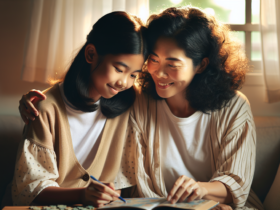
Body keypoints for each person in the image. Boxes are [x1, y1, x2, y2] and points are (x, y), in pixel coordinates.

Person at [18, 6, 263, 210]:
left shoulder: (234, 107)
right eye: (154, 60)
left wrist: (203, 192)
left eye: (173, 64)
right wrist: (37, 99)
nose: (159, 72)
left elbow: (236, 182)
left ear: (201, 65)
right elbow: (90, 88)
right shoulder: (139, 101)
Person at [10, 11, 147, 207]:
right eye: (118, 69)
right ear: (91, 54)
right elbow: (28, 190)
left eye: (134, 75)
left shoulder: (131, 104)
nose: (124, 82)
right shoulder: (45, 107)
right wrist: (81, 195)